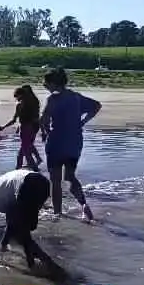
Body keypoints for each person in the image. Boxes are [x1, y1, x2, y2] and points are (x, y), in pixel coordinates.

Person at [40, 68, 101, 221]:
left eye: (46, 83)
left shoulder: (53, 99)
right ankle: (84, 205)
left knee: (55, 180)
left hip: (56, 143)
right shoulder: (76, 97)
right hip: (74, 142)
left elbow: (44, 120)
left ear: (54, 83)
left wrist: (45, 132)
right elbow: (96, 106)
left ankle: (57, 213)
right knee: (70, 177)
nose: (44, 85)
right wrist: (82, 122)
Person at [0, 169, 60, 270]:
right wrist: (3, 245)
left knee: (21, 233)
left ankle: (44, 265)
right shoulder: (1, 189)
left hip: (27, 185)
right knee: (25, 228)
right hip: (43, 183)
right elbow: (10, 223)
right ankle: (36, 263)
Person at [0, 85, 43, 169]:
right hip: (33, 128)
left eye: (16, 96)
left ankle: (34, 169)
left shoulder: (20, 105)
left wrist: (4, 127)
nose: (16, 98)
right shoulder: (33, 103)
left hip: (25, 129)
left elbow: (14, 120)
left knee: (26, 151)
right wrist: (42, 130)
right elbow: (36, 118)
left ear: (20, 95)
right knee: (24, 150)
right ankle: (19, 167)